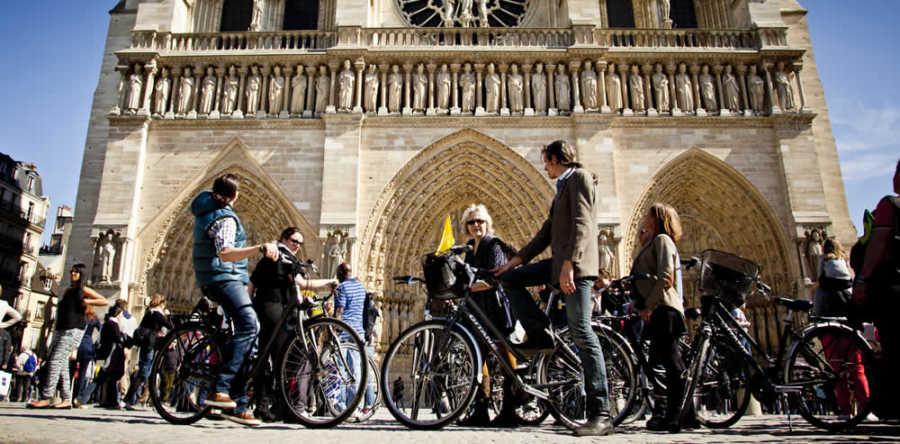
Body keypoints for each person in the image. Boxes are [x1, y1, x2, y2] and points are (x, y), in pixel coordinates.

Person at [493, 140, 613, 436]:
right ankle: (539, 331)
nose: (544, 167)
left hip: (576, 266)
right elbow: (545, 233)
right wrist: (515, 262)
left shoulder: (581, 178)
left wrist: (570, 265)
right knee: (511, 280)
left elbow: (584, 224)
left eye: (546, 161)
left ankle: (602, 412)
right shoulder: (562, 188)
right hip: (559, 262)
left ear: (558, 159)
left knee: (582, 330)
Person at [191, 173, 277, 426]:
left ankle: (238, 404)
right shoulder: (225, 218)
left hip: (219, 277)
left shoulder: (206, 209)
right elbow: (226, 253)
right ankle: (221, 387)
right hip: (223, 278)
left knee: (245, 340)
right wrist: (259, 248)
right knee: (251, 325)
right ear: (235, 196)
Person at [247, 227, 335, 421]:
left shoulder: (270, 257)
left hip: (266, 308)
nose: (297, 246)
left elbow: (252, 284)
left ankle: (265, 404)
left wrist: (250, 307)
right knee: (284, 358)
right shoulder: (283, 258)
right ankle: (282, 406)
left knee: (266, 356)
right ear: (284, 239)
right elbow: (302, 284)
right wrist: (329, 281)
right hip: (276, 309)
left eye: (300, 243)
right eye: (295, 241)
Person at [630, 203, 695, 432]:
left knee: (673, 364)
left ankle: (678, 416)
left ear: (657, 219)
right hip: (656, 310)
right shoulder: (651, 243)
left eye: (648, 215)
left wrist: (649, 306)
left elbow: (666, 276)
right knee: (663, 364)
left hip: (664, 309)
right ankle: (675, 414)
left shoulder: (662, 241)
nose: (644, 218)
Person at [459, 203, 517, 427]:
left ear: (487, 223)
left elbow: (496, 277)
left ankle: (510, 410)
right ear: (466, 226)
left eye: (480, 221)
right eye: (472, 222)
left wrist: (469, 288)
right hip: (477, 309)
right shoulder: (469, 248)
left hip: (494, 308)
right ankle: (480, 410)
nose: (476, 225)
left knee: (503, 357)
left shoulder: (494, 245)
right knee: (478, 358)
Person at [852, 159, 900, 419]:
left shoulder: (890, 205)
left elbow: (879, 242)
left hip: (893, 287)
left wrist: (862, 279)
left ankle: (891, 406)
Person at [28, 264, 109, 409]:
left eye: (76, 272)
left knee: (55, 361)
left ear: (81, 274)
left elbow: (104, 300)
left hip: (73, 329)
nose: (72, 273)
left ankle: (46, 397)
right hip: (62, 328)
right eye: (72, 271)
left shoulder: (82, 290)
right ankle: (66, 399)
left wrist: (87, 301)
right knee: (63, 365)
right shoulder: (68, 291)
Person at [814, 237, 872, 421]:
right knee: (857, 369)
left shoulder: (822, 288)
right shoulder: (849, 284)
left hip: (829, 330)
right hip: (849, 329)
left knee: (836, 371)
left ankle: (845, 411)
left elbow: (817, 309)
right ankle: (866, 409)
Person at [124, 294, 173, 410]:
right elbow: (170, 325)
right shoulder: (157, 314)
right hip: (150, 346)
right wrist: (167, 315)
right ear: (161, 304)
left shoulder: (148, 313)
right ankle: (127, 400)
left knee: (149, 374)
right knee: (145, 373)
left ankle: (149, 401)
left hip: (145, 345)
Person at [333, 262, 367, 412]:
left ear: (340, 274)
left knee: (340, 369)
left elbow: (339, 311)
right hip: (358, 331)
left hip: (344, 331)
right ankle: (354, 406)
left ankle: (341, 407)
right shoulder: (361, 287)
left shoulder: (342, 287)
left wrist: (333, 329)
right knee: (356, 370)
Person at [96, 304, 128, 409]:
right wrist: (124, 338)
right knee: (107, 377)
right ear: (117, 314)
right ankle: (83, 397)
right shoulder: (113, 324)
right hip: (111, 354)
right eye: (121, 314)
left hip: (107, 352)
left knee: (106, 377)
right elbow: (117, 338)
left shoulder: (107, 323)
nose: (122, 316)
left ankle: (110, 401)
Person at [73, 306, 102, 407]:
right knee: (82, 373)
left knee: (70, 371)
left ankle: (68, 395)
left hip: (74, 345)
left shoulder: (77, 315)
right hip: (87, 345)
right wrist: (97, 344)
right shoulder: (93, 318)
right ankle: (78, 397)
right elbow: (101, 331)